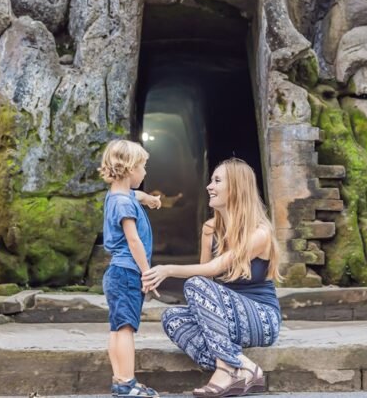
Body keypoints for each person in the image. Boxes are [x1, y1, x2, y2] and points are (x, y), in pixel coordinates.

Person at [142, 158, 282, 398]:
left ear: (236, 188)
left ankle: (224, 369)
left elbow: (212, 269)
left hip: (261, 318)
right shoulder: (210, 229)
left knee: (196, 284)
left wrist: (167, 269)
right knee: (172, 318)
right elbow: (207, 275)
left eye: (217, 181)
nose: (209, 186)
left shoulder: (260, 233)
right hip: (227, 320)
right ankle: (242, 365)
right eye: (211, 180)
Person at [98, 139, 161, 397]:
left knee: (117, 327)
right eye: (143, 167)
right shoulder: (124, 204)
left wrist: (150, 199)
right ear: (131, 169)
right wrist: (147, 272)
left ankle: (119, 379)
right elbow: (133, 239)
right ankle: (126, 383)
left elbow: (137, 195)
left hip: (117, 273)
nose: (145, 172)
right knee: (126, 329)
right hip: (127, 272)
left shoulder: (118, 196)